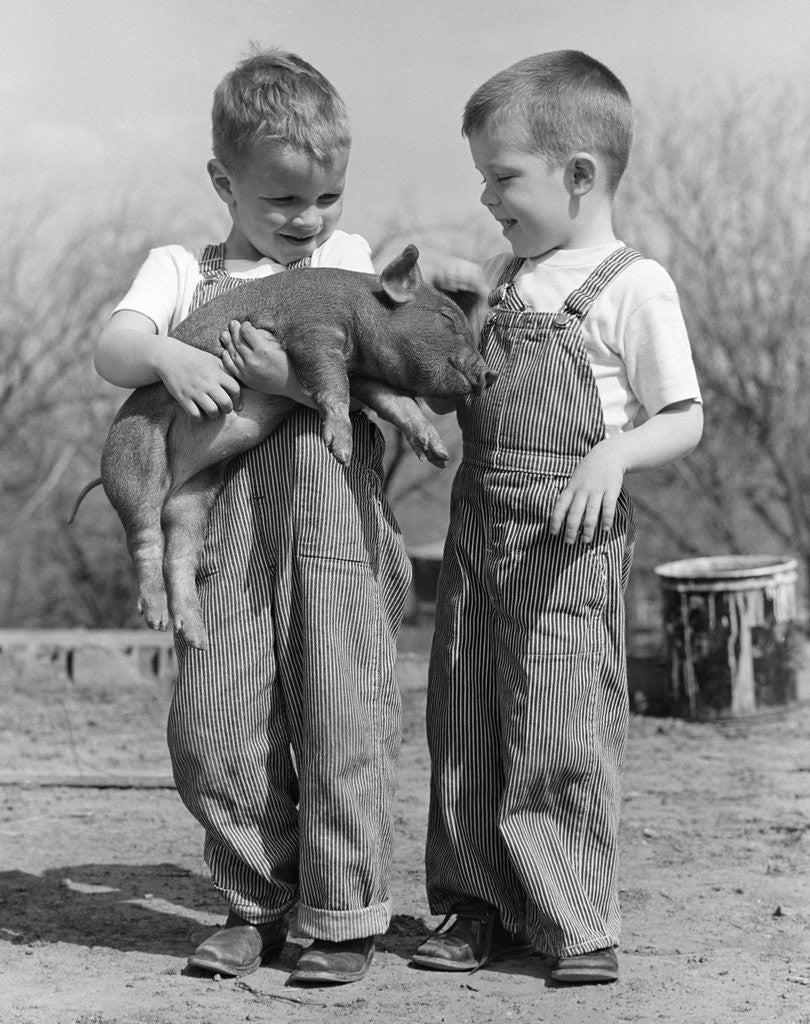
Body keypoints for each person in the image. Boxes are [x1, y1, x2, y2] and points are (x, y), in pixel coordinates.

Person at [94, 48, 413, 986]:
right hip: (220, 543)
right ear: (223, 181)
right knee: (216, 721)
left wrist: (289, 378)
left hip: (332, 536)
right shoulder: (179, 270)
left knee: (343, 716)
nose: (306, 222)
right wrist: (166, 358)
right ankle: (253, 902)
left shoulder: (349, 263)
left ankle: (345, 913)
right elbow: (114, 350)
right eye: (280, 203)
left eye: (326, 198)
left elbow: (386, 366)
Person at [410, 50, 703, 985]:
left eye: (504, 177)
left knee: (560, 722)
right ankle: (470, 906)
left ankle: (575, 917)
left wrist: (613, 454)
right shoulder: (504, 274)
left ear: (579, 176)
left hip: (565, 546)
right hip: (477, 529)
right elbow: (466, 385)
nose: (490, 197)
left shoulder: (630, 284)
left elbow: (683, 417)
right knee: (464, 719)